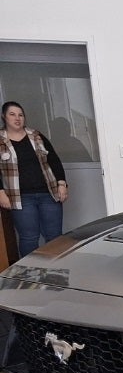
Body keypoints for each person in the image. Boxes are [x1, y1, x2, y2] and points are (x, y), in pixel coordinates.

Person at [0, 101, 69, 258]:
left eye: (21, 115)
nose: (17, 118)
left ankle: (57, 273)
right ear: (4, 117)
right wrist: (0, 192)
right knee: (29, 238)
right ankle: (30, 276)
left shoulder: (36, 136)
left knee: (55, 236)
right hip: (21, 198)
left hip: (48, 194)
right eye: (12, 114)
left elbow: (54, 160)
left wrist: (62, 184)